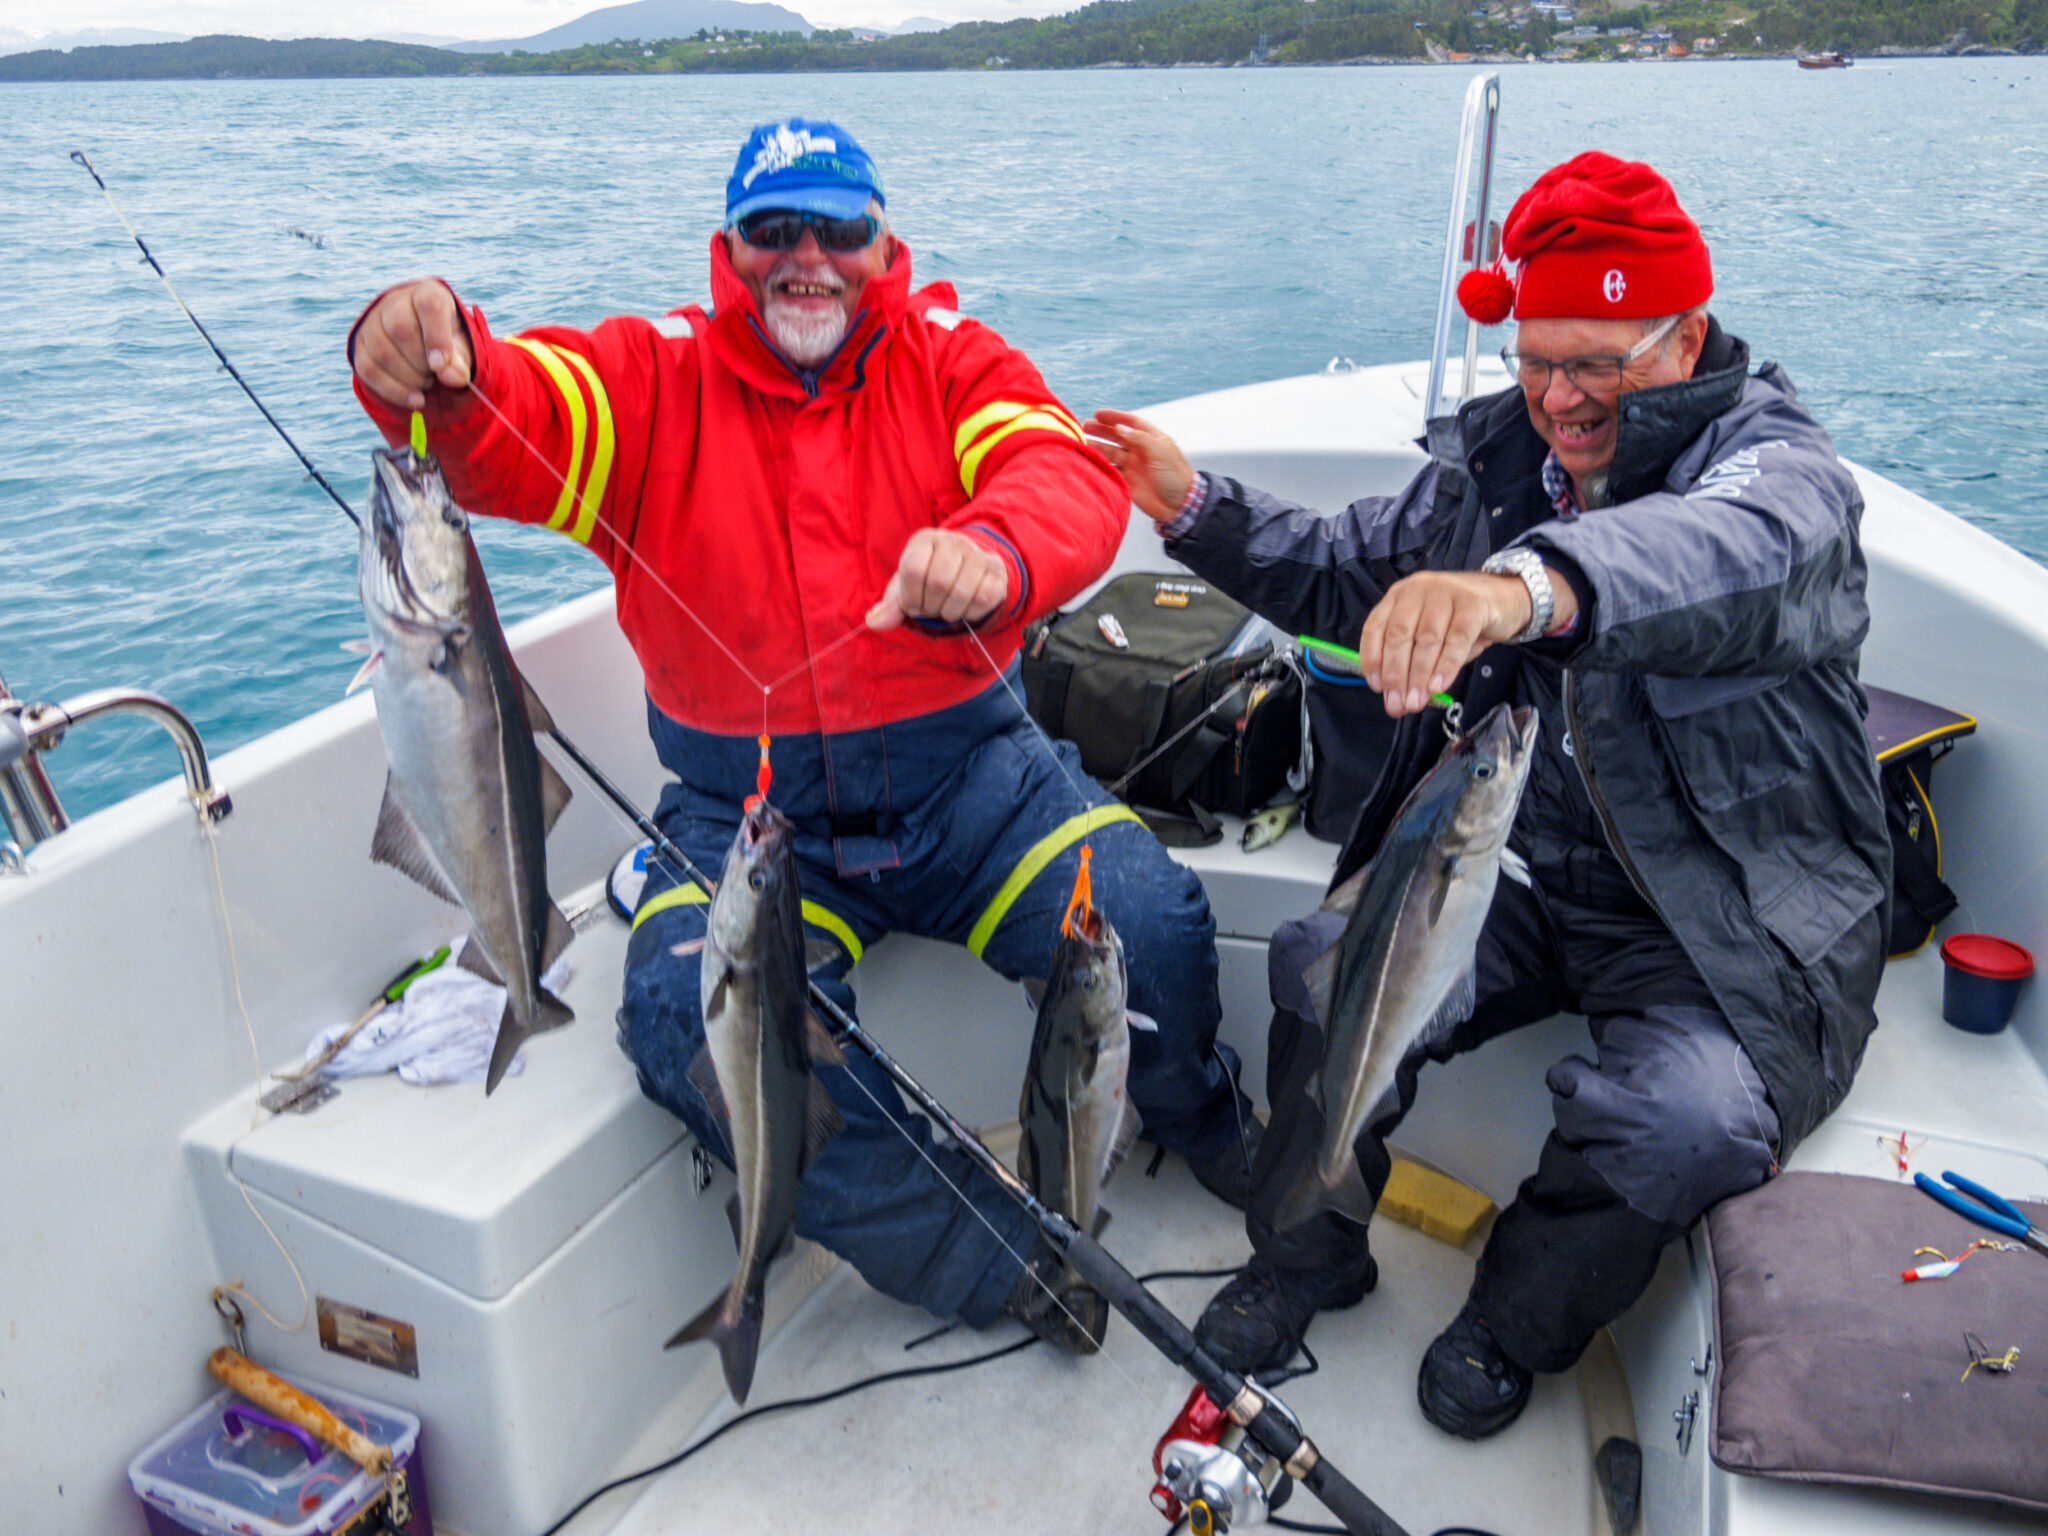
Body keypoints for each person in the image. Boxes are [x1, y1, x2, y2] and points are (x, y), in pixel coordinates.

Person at [348, 117, 1256, 1354]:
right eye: (775, 232)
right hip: (747, 821)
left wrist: (994, 553)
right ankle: (992, 1263)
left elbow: (1060, 473)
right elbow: (511, 420)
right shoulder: (654, 377)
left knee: (1151, 924)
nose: (807, 258)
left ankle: (1199, 1122)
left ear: (883, 244)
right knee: (681, 1021)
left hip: (975, 787)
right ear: (731, 249)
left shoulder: (949, 358)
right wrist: (430, 353)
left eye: (839, 230)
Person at [1086, 151, 1888, 1435]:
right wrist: (1193, 506)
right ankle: (1307, 1252)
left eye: (1595, 364)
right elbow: (1347, 565)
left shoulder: (1778, 474)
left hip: (1719, 918)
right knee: (1317, 966)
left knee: (1689, 1120)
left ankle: (1511, 1320)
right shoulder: (1502, 462)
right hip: (1512, 861)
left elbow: (1717, 556)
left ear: (1684, 336)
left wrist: (1521, 587)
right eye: (1533, 359)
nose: (1558, 399)